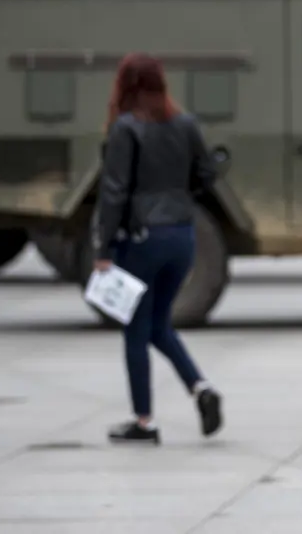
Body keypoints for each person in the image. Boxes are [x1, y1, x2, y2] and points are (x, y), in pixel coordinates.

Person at [93, 52, 223, 445]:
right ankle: (200, 388)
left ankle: (144, 421)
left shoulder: (125, 128)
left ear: (124, 85)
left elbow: (114, 191)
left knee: (136, 330)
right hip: (182, 235)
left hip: (143, 238)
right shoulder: (185, 123)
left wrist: (103, 247)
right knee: (159, 325)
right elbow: (207, 174)